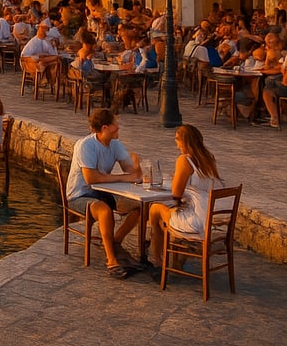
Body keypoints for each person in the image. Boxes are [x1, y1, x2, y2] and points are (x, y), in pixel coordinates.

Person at [64, 108, 144, 278]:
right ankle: (111, 260)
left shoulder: (115, 144)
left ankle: (115, 241)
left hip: (103, 192)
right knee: (104, 210)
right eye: (115, 123)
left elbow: (133, 173)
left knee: (141, 208)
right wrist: (124, 177)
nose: (118, 126)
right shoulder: (85, 145)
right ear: (105, 127)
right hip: (80, 195)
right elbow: (91, 178)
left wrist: (136, 165)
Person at [147, 124, 224, 269]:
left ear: (185, 141)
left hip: (196, 221)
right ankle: (179, 256)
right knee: (170, 213)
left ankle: (158, 260)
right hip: (207, 215)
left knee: (155, 209)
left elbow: (176, 193)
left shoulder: (184, 160)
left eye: (177, 141)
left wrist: (176, 178)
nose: (177, 146)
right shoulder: (208, 158)